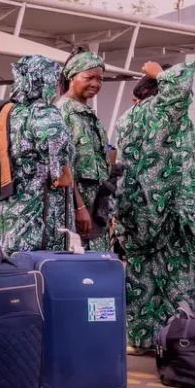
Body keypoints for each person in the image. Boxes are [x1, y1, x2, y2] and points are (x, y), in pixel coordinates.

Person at [112, 61, 195, 352]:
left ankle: (140, 338)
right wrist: (158, 71)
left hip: (138, 209)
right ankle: (177, 336)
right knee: (178, 276)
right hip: (174, 212)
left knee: (142, 276)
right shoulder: (168, 113)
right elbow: (181, 83)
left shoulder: (128, 118)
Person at [0, 55, 76, 255]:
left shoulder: (8, 112)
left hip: (8, 214)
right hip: (42, 219)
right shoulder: (45, 114)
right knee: (46, 279)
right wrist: (63, 173)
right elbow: (60, 175)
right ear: (46, 81)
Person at [57, 49, 110, 249]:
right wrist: (79, 207)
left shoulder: (87, 114)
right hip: (76, 213)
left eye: (100, 79)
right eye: (89, 77)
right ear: (72, 76)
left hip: (96, 210)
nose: (95, 84)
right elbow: (63, 166)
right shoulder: (63, 113)